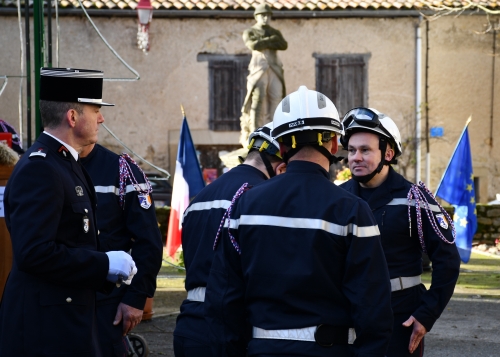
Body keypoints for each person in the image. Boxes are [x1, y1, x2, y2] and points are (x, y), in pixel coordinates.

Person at [205, 86, 393, 357]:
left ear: (281, 147)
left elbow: (222, 299)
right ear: (334, 144)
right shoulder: (353, 210)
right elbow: (373, 306)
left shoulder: (244, 206)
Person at [0, 67, 137, 357]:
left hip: (66, 319)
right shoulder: (41, 168)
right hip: (44, 328)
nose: (101, 118)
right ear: (72, 117)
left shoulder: (64, 163)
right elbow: (34, 252)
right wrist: (105, 264)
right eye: (95, 110)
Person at [339, 107, 461, 356]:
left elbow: (447, 260)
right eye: (351, 150)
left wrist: (426, 315)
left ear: (388, 153)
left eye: (365, 150)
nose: (355, 157)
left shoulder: (415, 199)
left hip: (400, 317)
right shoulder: (338, 198)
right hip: (346, 318)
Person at [173, 123, 286, 357]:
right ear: (281, 168)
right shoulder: (257, 197)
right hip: (229, 327)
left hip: (189, 325)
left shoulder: (202, 196)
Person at [80, 143, 163, 356]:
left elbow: (148, 241)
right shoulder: (46, 165)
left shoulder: (121, 170)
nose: (101, 119)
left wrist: (135, 298)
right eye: (94, 111)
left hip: (106, 301)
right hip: (60, 300)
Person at [239, 3, 287, 146]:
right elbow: (254, 45)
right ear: (257, 16)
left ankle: (275, 130)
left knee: (276, 97)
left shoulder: (275, 31)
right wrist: (271, 41)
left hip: (274, 68)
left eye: (268, 15)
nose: (265, 18)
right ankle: (255, 132)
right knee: (257, 99)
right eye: (262, 15)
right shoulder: (250, 31)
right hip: (259, 67)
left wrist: (264, 42)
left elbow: (284, 45)